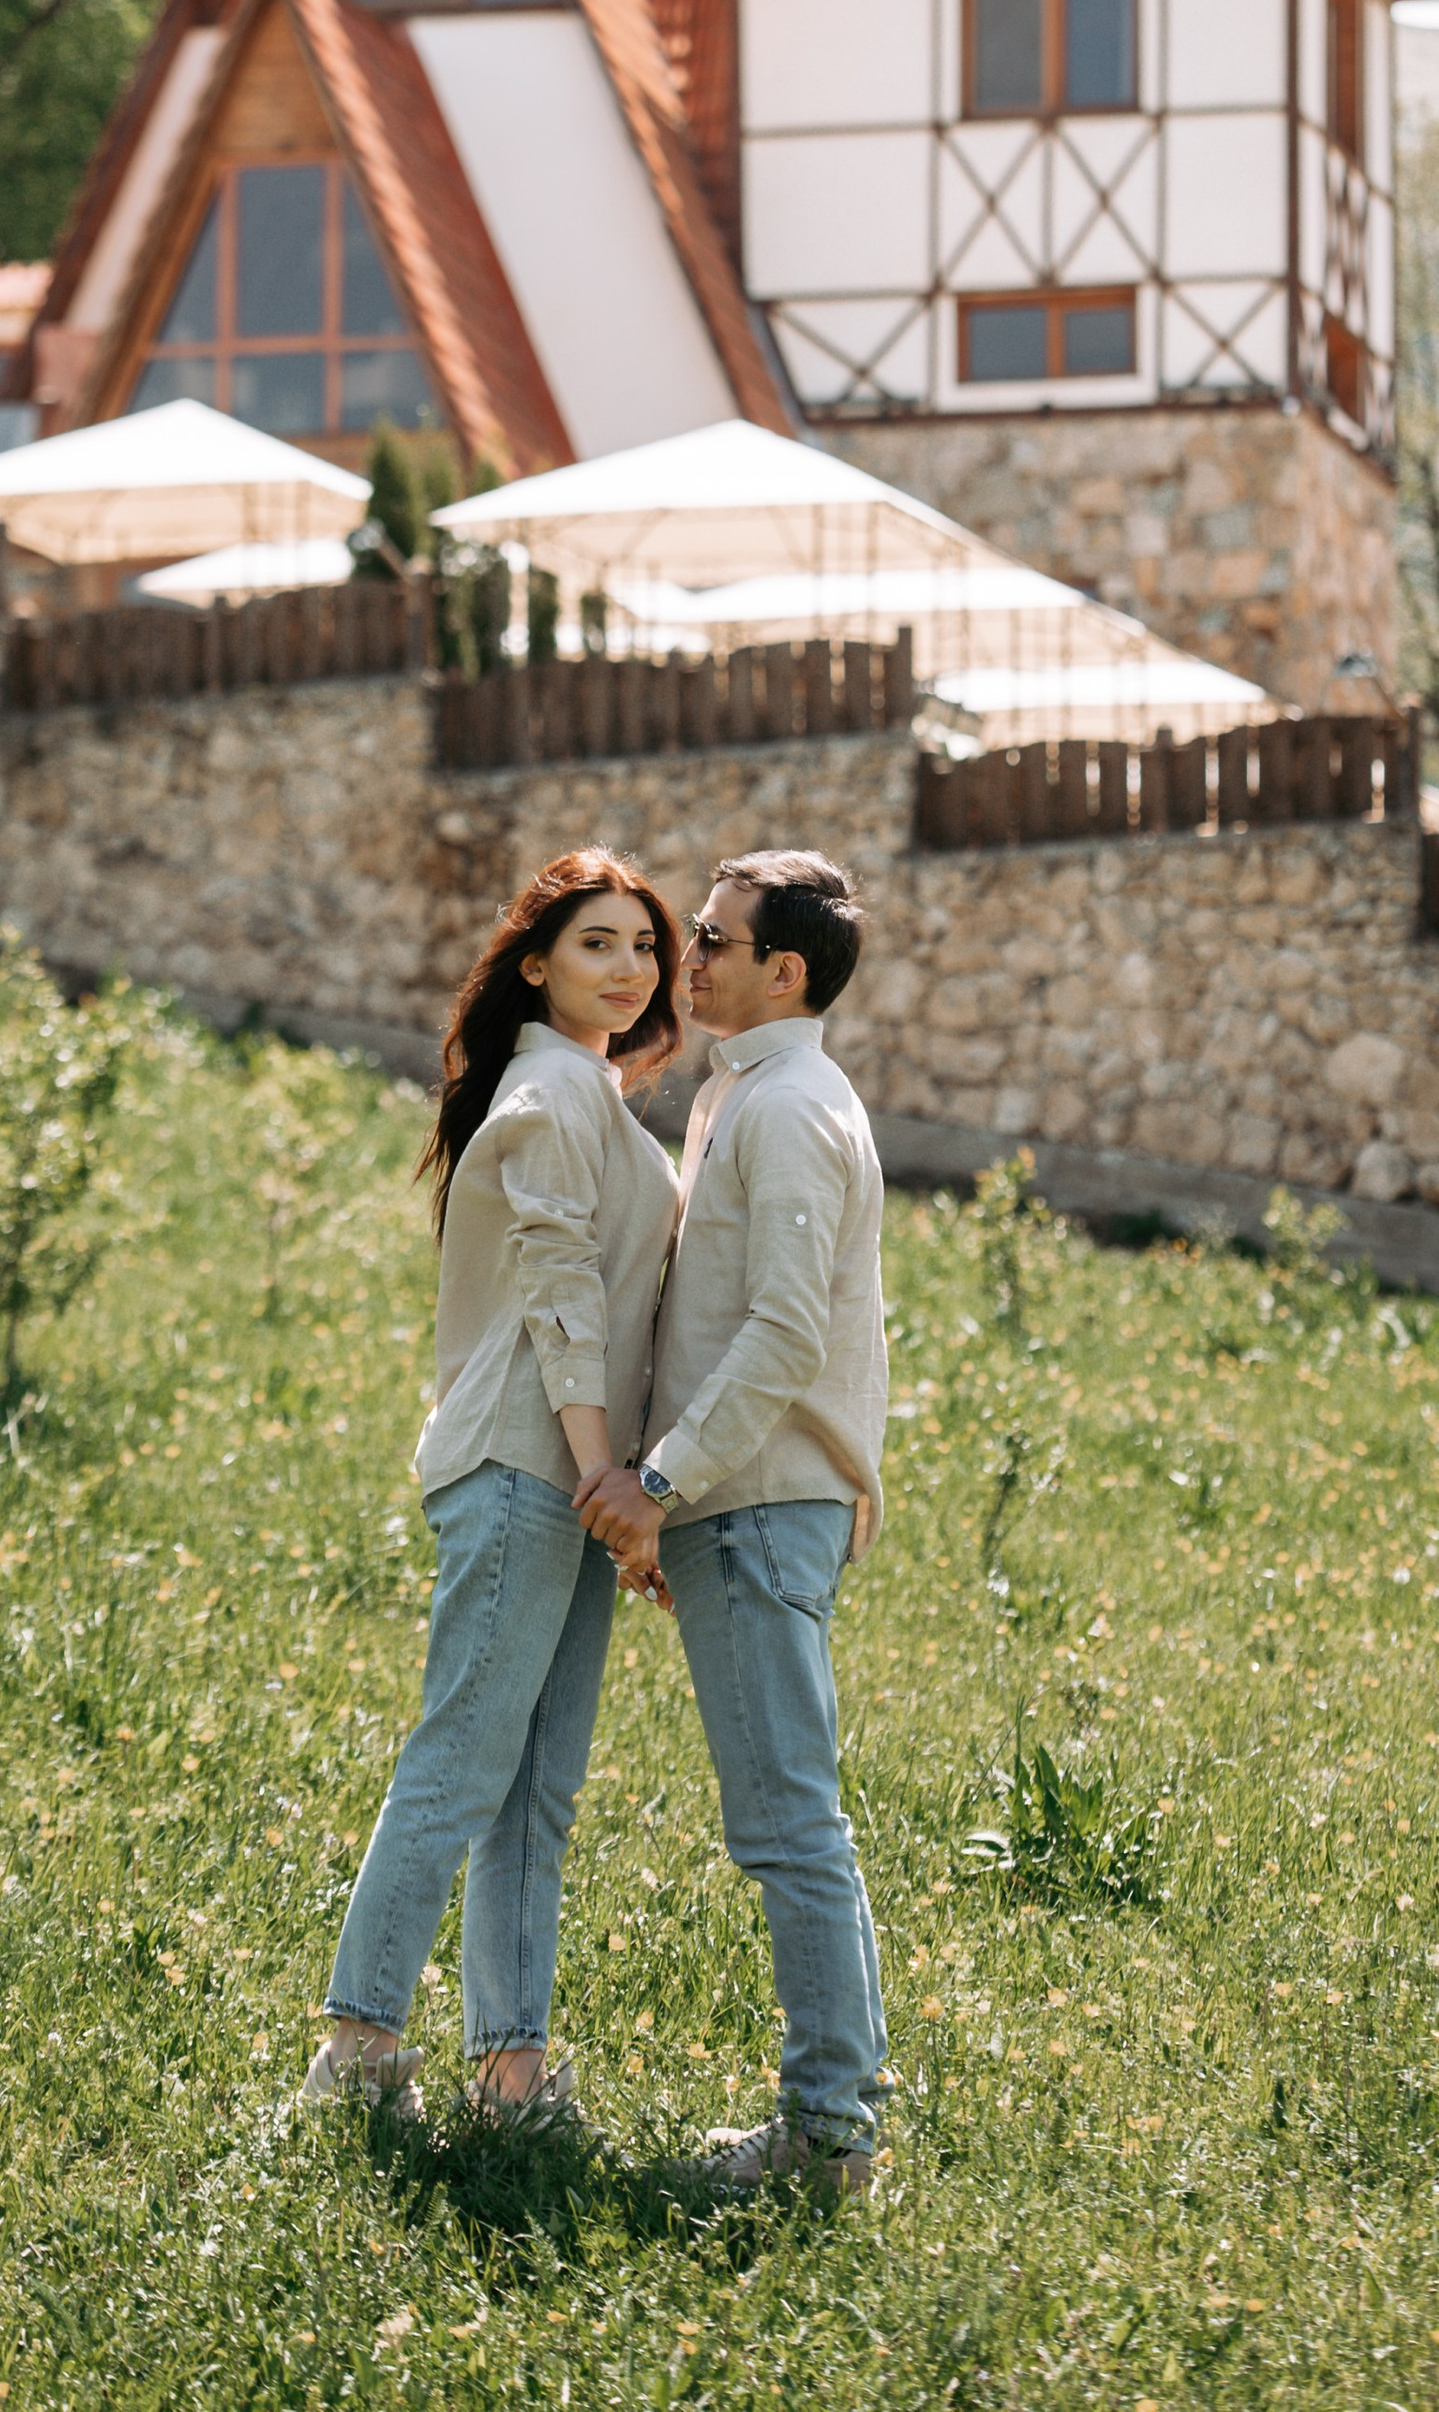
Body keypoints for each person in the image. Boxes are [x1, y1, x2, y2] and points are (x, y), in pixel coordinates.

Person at [300, 848, 682, 2130]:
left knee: (534, 1786)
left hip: (567, 1473)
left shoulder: (591, 1094)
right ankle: (354, 2059)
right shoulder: (547, 1099)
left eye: (644, 946)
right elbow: (561, 1297)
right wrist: (602, 1481)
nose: (629, 968)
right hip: (535, 1465)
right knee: (462, 1764)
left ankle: (511, 2078)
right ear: (534, 965)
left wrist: (616, 1493)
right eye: (597, 944)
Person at [577, 848, 890, 2189]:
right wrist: (677, 1500)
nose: (682, 957)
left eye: (713, 938)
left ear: (787, 972)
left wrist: (660, 1484)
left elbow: (780, 1335)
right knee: (784, 1817)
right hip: (735, 1508)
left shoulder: (788, 1109)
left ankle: (829, 2135)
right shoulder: (743, 1097)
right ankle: (831, 2121)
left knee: (789, 1825)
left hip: (761, 1506)